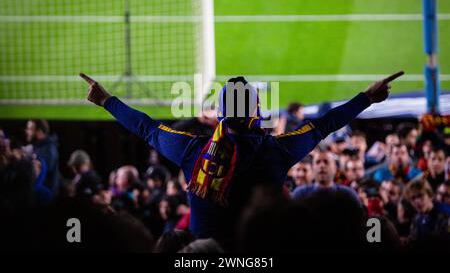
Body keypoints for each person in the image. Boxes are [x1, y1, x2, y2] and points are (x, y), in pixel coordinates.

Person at [79, 71, 403, 245]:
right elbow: (322, 127)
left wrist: (107, 100)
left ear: (220, 114)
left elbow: (147, 129)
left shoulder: (192, 150)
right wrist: (366, 98)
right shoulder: (278, 151)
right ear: (256, 112)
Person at [291, 147, 360, 204]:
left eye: (326, 162)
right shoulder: (300, 194)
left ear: (335, 168)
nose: (322, 165)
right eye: (318, 162)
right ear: (312, 168)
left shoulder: (348, 195)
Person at [25, 119, 60, 195]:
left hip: (44, 198)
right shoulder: (38, 147)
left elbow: (37, 173)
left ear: (39, 132)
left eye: (30, 129)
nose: (27, 131)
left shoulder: (49, 149)